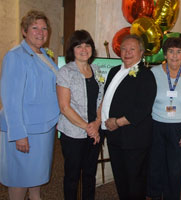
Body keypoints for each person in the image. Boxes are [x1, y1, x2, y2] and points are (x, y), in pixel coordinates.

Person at [0, 10, 60, 200]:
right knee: (19, 178)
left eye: (44, 28)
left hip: (43, 128)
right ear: (24, 31)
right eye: (35, 27)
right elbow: (11, 99)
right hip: (25, 129)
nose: (40, 32)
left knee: (35, 175)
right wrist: (18, 134)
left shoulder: (44, 54)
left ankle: (36, 198)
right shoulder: (16, 56)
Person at [101, 34, 157, 200]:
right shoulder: (113, 71)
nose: (127, 52)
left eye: (132, 49)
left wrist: (117, 122)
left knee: (135, 180)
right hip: (114, 135)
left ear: (141, 52)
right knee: (120, 177)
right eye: (124, 49)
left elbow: (143, 108)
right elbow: (105, 99)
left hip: (134, 138)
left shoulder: (146, 75)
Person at [146, 37, 181, 200]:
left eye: (179, 52)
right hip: (156, 125)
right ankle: (154, 195)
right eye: (171, 51)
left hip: (180, 128)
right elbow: (146, 101)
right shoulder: (154, 72)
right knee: (155, 165)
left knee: (175, 168)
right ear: (165, 54)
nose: (175, 55)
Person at [56, 30, 104, 200]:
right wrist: (87, 127)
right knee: (72, 176)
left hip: (95, 131)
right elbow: (64, 107)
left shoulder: (97, 70)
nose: (84, 49)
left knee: (90, 174)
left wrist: (97, 122)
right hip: (73, 133)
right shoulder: (66, 72)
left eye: (87, 45)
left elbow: (101, 100)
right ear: (72, 49)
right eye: (79, 45)